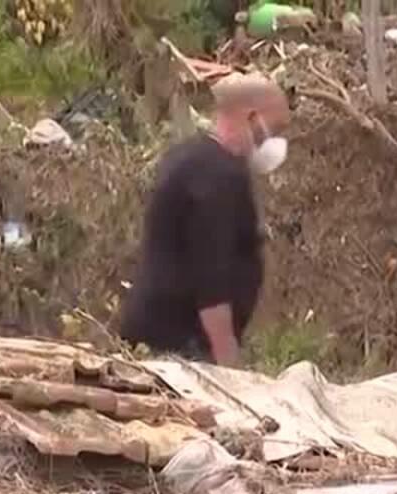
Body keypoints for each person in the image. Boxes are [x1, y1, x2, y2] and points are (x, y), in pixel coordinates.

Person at [118, 73, 291, 367]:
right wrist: (227, 358)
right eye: (275, 129)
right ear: (252, 118)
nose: (276, 141)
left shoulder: (190, 156)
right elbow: (212, 275)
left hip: (158, 329)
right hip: (180, 343)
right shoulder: (219, 176)